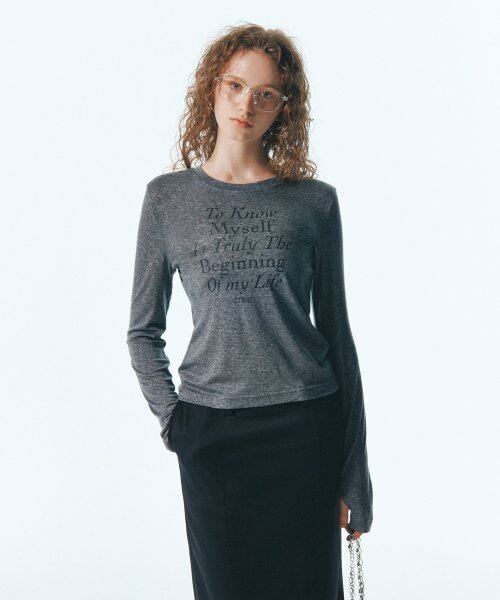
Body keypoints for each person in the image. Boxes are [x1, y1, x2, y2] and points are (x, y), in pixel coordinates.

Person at [126, 22, 373, 600]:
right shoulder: (167, 199)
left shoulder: (313, 203)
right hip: (211, 433)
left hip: (304, 428)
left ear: (284, 107)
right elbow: (142, 331)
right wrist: (175, 421)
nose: (246, 105)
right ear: (212, 87)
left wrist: (354, 470)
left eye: (266, 93)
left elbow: (337, 334)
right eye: (235, 86)